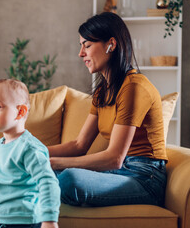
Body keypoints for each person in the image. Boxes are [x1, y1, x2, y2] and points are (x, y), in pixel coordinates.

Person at [48, 12, 167, 207]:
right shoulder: (103, 91)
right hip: (115, 174)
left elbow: (114, 158)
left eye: (87, 45)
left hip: (144, 178)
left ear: (111, 44)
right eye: (81, 46)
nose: (81, 53)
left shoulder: (134, 87)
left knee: (69, 179)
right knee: (41, 173)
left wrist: (56, 163)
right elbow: (79, 145)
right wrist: (35, 152)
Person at [0, 79, 60, 228]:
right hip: (1, 220)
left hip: (25, 221)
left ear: (20, 112)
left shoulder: (30, 148)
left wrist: (49, 220)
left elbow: (48, 183)